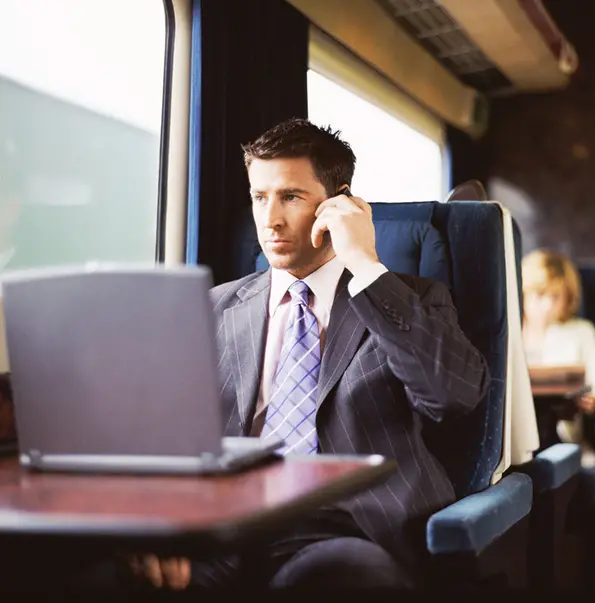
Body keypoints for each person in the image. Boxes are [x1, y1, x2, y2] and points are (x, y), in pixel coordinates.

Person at [129, 118, 490, 590]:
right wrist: (152, 521)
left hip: (345, 530)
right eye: (260, 197)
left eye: (291, 197)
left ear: (338, 203)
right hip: (223, 525)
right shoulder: (212, 307)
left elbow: (454, 397)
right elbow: (168, 433)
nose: (270, 219)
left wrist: (365, 264)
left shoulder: (412, 299)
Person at [521, 250, 595, 468]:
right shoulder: (505, 335)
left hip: (560, 439)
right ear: (523, 294)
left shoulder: (580, 332)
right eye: (540, 295)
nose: (548, 305)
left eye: (556, 296)